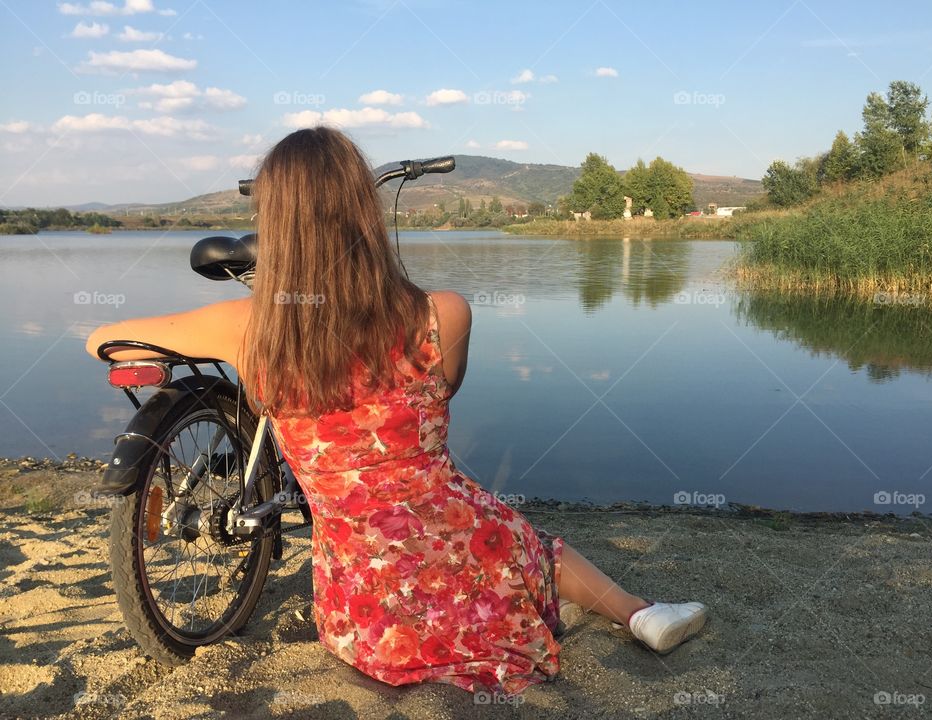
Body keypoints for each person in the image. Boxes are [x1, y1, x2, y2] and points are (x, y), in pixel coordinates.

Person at [85, 127, 707, 697]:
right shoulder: (444, 313)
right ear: (365, 211)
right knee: (523, 540)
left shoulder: (244, 327)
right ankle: (640, 614)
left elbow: (100, 339)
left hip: (365, 620)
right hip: (452, 530)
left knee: (491, 539)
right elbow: (446, 392)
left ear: (271, 219)